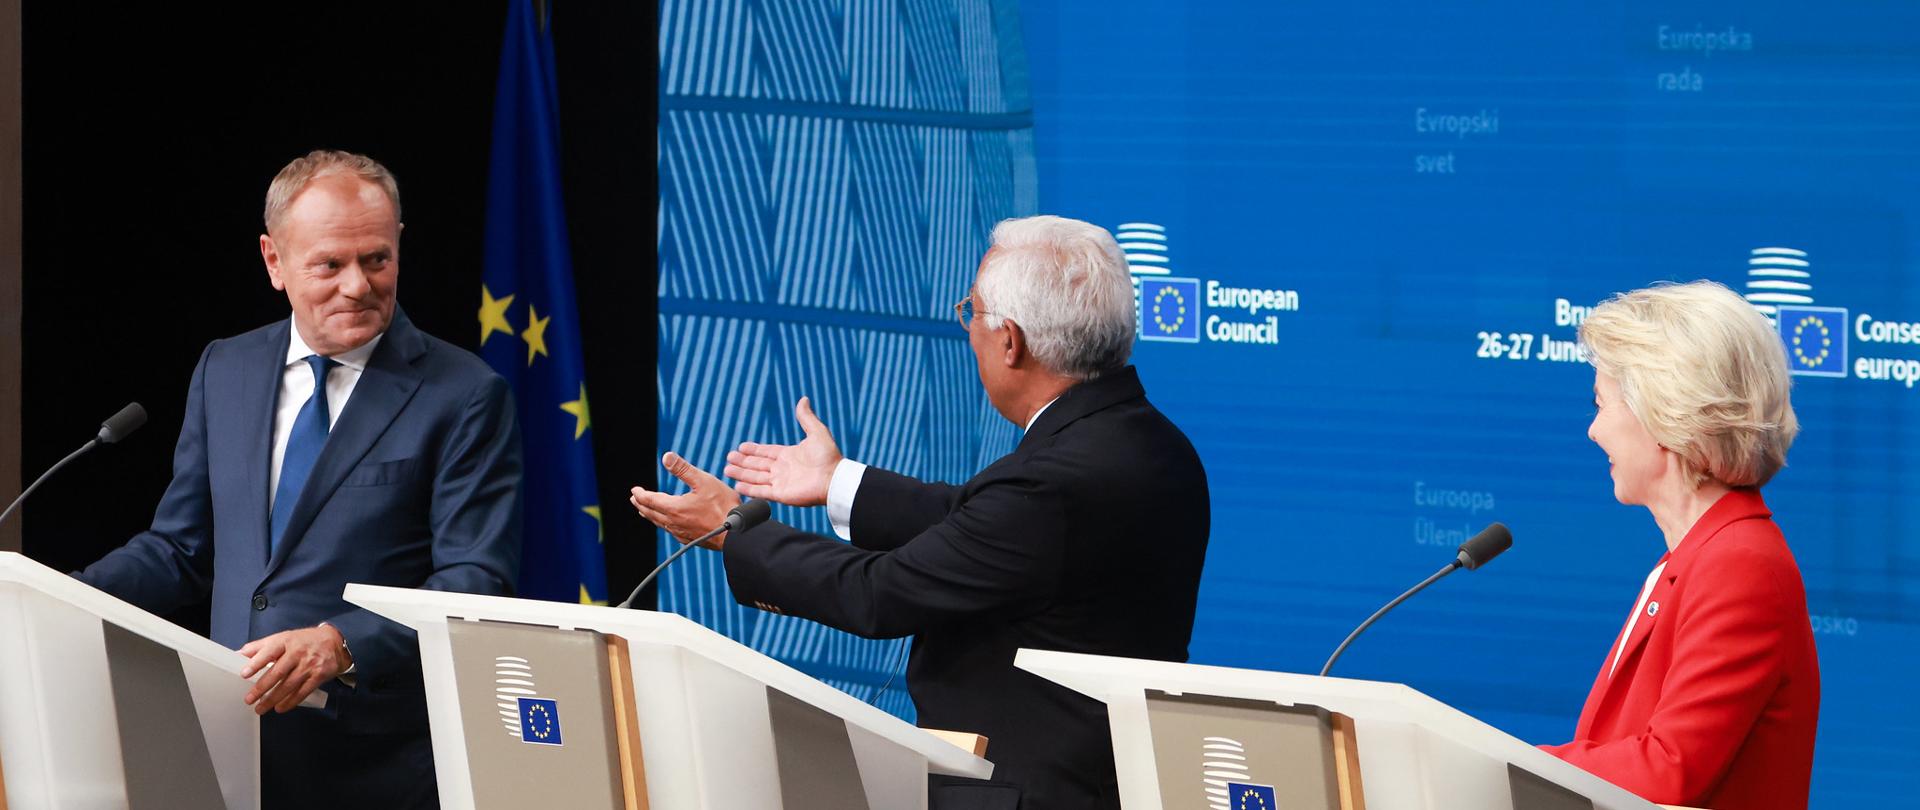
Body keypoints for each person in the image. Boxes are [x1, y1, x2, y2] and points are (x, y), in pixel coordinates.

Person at [631, 215, 1210, 809]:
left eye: (972, 311)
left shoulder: (1049, 484)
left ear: (1010, 342)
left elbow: (877, 592)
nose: (968, 328)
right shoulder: (1157, 446)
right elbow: (977, 523)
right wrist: (836, 481)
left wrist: (736, 534)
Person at [76, 150, 522, 809]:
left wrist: (342, 644)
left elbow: (475, 580)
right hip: (228, 746)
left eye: (377, 259)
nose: (358, 285)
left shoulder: (464, 394)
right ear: (274, 261)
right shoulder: (226, 369)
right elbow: (181, 549)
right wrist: (59, 595)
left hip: (376, 765)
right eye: (330, 265)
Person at [1543, 281, 1819, 809]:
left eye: (1601, 404)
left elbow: (1668, 771)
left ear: (1663, 412)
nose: (1594, 431)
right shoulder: (1700, 555)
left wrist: (1509, 765)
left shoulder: (1738, 564)